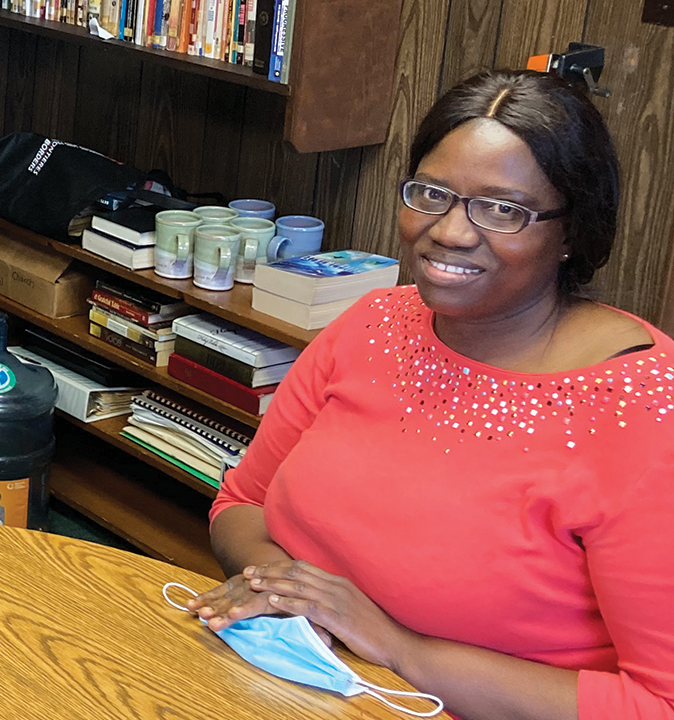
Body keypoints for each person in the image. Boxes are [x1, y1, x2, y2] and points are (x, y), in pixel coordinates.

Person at [189, 69, 674, 720]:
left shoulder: (644, 411)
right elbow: (242, 502)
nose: (449, 231)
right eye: (431, 194)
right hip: (292, 684)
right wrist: (290, 595)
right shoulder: (372, 323)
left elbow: (657, 701)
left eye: (503, 208)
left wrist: (396, 647)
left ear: (572, 232)